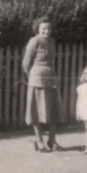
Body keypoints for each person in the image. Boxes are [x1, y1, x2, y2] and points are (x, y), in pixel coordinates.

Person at [22, 16, 61, 152]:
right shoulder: (34, 41)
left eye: (49, 28)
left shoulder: (51, 41)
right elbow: (26, 63)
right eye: (44, 29)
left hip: (51, 79)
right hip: (37, 80)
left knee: (52, 111)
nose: (47, 31)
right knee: (37, 112)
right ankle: (39, 141)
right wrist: (32, 77)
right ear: (38, 29)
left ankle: (51, 139)